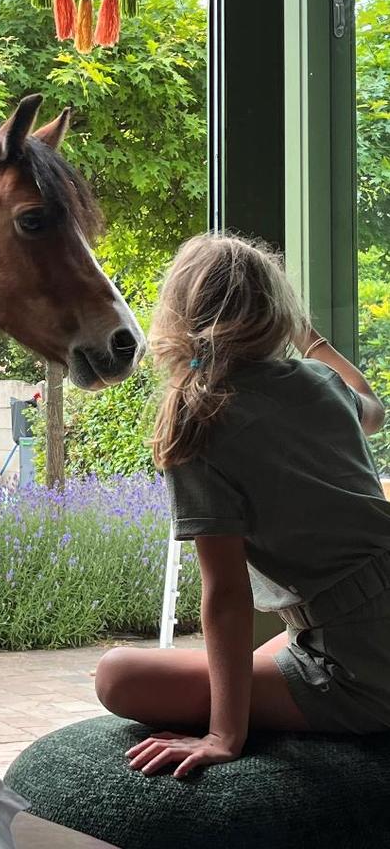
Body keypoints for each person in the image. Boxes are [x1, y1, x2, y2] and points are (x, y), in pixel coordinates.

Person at [94, 232, 388, 779]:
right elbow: (373, 408)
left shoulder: (196, 418)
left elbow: (226, 594)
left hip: (361, 660)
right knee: (262, 656)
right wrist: (312, 340)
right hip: (357, 620)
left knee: (118, 676)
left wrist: (224, 734)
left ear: (177, 315)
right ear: (279, 311)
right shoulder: (319, 381)